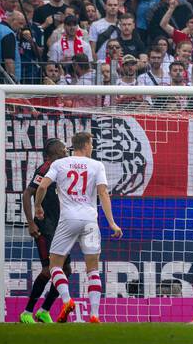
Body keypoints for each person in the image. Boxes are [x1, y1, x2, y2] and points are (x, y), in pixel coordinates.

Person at [34, 131, 124, 323]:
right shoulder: (97, 165)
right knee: (93, 268)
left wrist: (37, 206)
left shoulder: (59, 164)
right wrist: (111, 222)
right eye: (91, 144)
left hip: (68, 219)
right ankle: (94, 314)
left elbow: (41, 187)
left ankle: (67, 300)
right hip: (90, 221)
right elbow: (103, 193)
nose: (92, 147)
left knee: (54, 265)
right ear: (85, 145)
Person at [20, 139, 68, 324]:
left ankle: (44, 310)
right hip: (45, 227)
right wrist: (31, 222)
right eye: (62, 148)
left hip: (61, 227)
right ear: (51, 153)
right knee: (49, 270)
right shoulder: (45, 168)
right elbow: (27, 193)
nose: (65, 150)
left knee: (67, 270)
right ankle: (27, 312)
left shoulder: (63, 167)